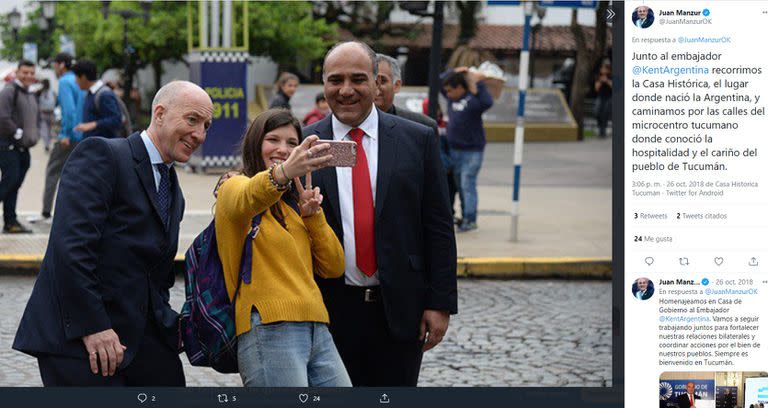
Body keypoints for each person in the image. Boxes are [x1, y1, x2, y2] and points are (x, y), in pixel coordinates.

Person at [13, 81, 214, 386]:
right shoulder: (102, 154)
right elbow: (71, 248)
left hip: (141, 341)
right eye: (192, 120)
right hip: (80, 340)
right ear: (159, 114)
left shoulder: (175, 190)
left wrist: (173, 327)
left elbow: (154, 276)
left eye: (206, 126)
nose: (199, 134)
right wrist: (92, 327)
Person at [303, 41, 457, 386]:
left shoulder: (417, 139)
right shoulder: (304, 144)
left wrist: (440, 303)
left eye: (358, 79)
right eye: (335, 80)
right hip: (327, 311)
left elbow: (438, 225)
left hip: (400, 310)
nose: (346, 90)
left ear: (377, 83)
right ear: (323, 84)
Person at [215, 108, 351, 387]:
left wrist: (313, 215)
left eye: (292, 143)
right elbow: (248, 196)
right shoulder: (233, 185)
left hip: (317, 326)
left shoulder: (293, 203)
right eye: (273, 140)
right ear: (255, 144)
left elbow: (334, 266)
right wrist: (286, 171)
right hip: (267, 326)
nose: (283, 149)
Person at [28, 53, 86, 225]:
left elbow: (69, 111)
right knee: (77, 174)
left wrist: (66, 134)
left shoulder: (65, 82)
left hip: (69, 136)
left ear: (61, 65)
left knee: (53, 171)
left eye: (55, 64)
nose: (53, 68)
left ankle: (46, 212)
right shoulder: (78, 80)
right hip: (82, 135)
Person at [441, 66, 494, 232]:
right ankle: (465, 216)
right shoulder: (451, 99)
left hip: (472, 152)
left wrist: (478, 82)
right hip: (454, 150)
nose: (447, 94)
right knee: (459, 185)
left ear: (460, 88)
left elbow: (488, 102)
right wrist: (455, 71)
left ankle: (470, 219)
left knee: (467, 183)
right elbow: (439, 80)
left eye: (450, 90)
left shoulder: (474, 99)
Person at [0, 60, 39, 234]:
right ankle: (10, 220)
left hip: (23, 149)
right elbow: (2, 116)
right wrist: (18, 133)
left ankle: (10, 222)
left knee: (14, 184)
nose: (29, 76)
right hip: (8, 147)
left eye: (31, 73)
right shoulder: (10, 91)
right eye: (25, 72)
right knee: (9, 182)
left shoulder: (29, 93)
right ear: (17, 72)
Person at [374, 53, 439, 136]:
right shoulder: (353, 124)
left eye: (382, 81)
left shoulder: (423, 127)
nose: (375, 87)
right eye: (370, 80)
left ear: (396, 85)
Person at [72, 59, 123, 139]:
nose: (75, 81)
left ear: (83, 77)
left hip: (104, 148)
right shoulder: (90, 93)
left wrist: (93, 124)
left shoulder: (104, 94)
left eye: (76, 77)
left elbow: (116, 120)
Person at [37, 78, 56, 152]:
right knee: (44, 131)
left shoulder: (52, 92)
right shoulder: (39, 92)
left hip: (51, 114)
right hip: (43, 114)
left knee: (50, 131)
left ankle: (48, 143)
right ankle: (46, 145)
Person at [594, 62, 612, 139]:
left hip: (609, 97)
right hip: (600, 97)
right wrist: (601, 81)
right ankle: (600, 129)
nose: (603, 70)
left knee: (605, 113)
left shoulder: (611, 77)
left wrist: (607, 80)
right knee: (597, 112)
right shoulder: (598, 77)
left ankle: (603, 132)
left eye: (605, 68)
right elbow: (596, 89)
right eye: (602, 68)